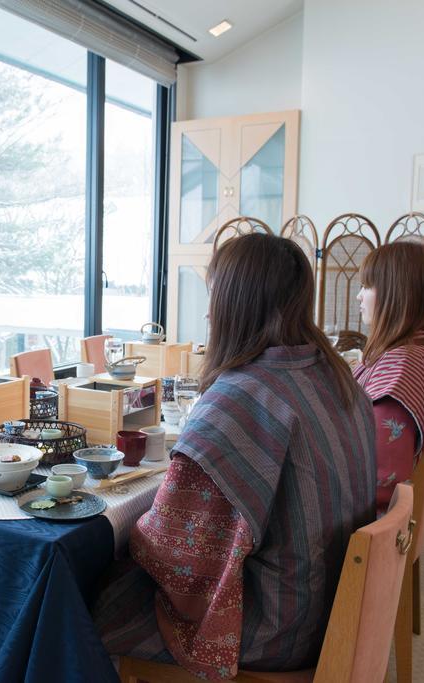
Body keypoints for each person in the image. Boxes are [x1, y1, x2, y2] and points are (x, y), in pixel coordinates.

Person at [94, 234, 376, 679]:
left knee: (69, 600)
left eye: (214, 296)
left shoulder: (240, 398)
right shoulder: (340, 379)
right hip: (334, 607)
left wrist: (127, 533)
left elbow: (177, 554)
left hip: (273, 629)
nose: (208, 313)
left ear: (235, 303)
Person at [354, 240, 424, 514]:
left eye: (366, 286)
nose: (358, 296)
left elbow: (380, 484)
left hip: (366, 527)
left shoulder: (400, 372)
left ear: (394, 294)